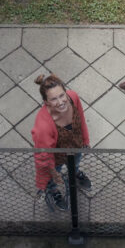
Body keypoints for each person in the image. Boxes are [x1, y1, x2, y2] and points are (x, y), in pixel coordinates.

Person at [31, 74, 92, 211]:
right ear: (46, 102)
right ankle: (53, 191)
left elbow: (80, 118)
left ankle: (74, 173)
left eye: (61, 95)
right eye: (53, 99)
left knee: (75, 164)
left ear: (66, 93)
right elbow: (43, 158)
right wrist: (53, 172)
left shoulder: (73, 97)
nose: (60, 102)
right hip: (56, 159)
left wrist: (86, 140)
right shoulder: (43, 126)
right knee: (52, 180)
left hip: (76, 147)